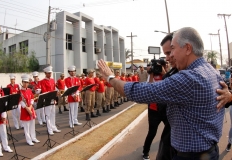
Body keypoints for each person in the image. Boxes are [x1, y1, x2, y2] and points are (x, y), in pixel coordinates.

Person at [98, 27, 232, 160]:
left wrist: (111, 78)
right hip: (209, 151)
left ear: (187, 48)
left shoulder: (189, 78)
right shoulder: (211, 71)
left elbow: (140, 92)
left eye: (172, 49)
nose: (170, 56)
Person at [142, 56, 168, 160]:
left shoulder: (168, 75)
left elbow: (170, 83)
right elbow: (149, 87)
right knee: (152, 132)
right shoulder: (151, 75)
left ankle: (170, 151)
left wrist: (163, 72)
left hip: (166, 108)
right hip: (154, 108)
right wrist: (151, 74)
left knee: (170, 131)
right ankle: (145, 152)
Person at [0, 73, 13, 157]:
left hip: (1, 113)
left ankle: (6, 146)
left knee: (3, 131)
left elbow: (4, 102)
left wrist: (4, 115)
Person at [19, 74, 40, 146]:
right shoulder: (20, 91)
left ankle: (33, 137)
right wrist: (27, 109)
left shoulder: (29, 90)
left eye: (27, 82)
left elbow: (32, 98)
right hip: (25, 110)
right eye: (24, 82)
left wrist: (30, 107)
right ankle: (28, 139)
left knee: (32, 125)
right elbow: (21, 102)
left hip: (31, 109)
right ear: (22, 82)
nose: (26, 84)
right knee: (26, 126)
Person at [40, 66, 61, 135]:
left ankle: (53, 127)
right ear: (45, 73)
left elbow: (54, 88)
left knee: (53, 114)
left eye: (50, 73)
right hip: (47, 100)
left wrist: (57, 91)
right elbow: (44, 91)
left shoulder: (52, 80)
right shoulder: (42, 81)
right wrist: (53, 95)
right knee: (48, 115)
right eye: (48, 73)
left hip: (53, 99)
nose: (50, 74)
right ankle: (49, 129)